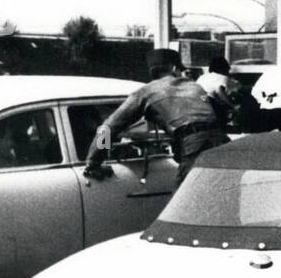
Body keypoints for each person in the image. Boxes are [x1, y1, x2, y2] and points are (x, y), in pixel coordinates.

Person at [84, 48, 227, 184]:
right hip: (222, 142)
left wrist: (93, 162)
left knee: (182, 206)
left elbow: (108, 127)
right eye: (180, 69)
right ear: (173, 68)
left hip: (194, 146)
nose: (182, 73)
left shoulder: (146, 92)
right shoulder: (194, 86)